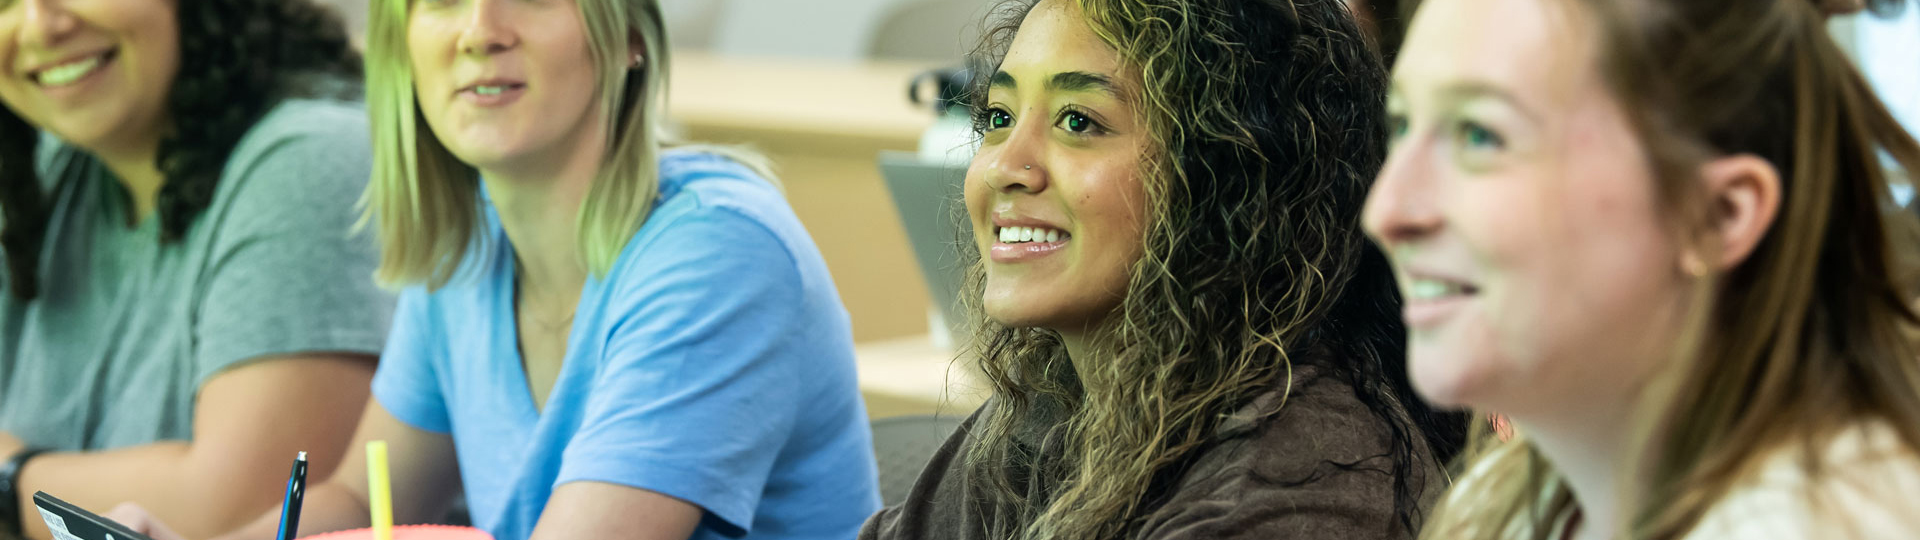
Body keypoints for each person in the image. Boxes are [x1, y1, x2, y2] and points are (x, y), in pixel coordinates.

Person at [111, 0, 882, 539]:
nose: (481, 30)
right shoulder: (471, 243)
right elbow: (359, 497)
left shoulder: (719, 253)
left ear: (627, 36)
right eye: (441, 0)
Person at [860, 0, 1464, 539]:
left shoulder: (1303, 476)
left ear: (1228, 179)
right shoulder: (1059, 401)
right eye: (997, 117)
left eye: (1078, 121)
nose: (1003, 168)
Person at [1366, 0, 1920, 538]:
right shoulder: (1515, 497)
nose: (1385, 213)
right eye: (1401, 125)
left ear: (1715, 217)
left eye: (1479, 135)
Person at [0, 0, 387, 538]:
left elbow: (236, 510)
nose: (42, 25)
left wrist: (11, 478)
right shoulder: (49, 173)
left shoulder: (311, 160)